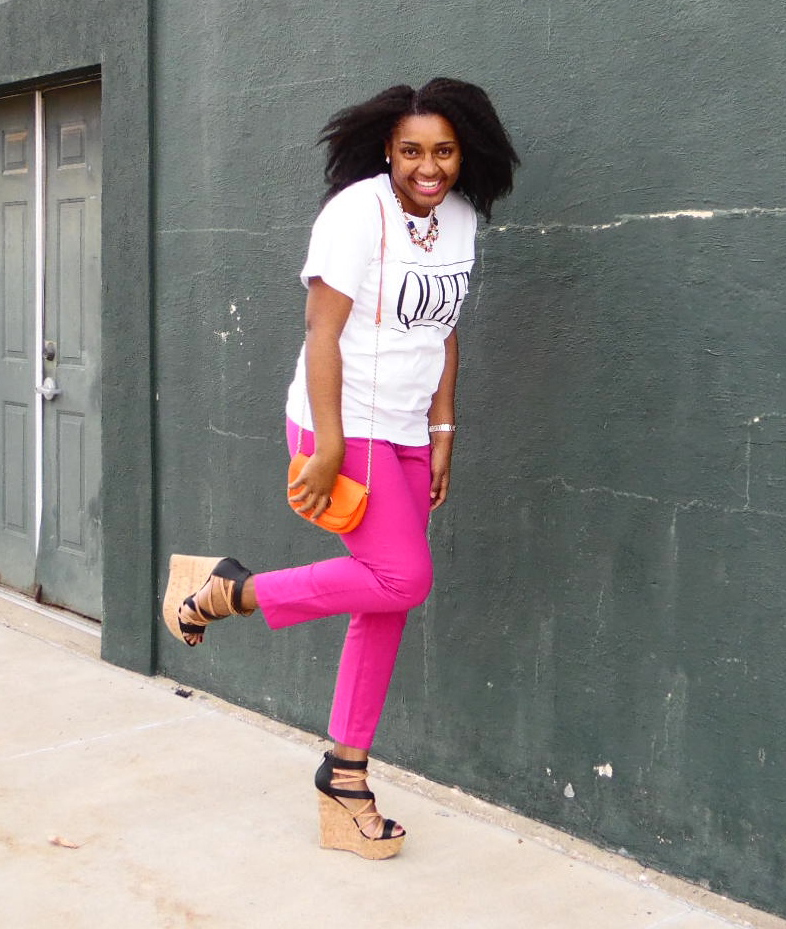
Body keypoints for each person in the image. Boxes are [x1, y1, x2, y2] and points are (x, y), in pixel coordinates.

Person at [162, 78, 519, 860]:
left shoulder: (460, 219)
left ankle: (345, 777)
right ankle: (224, 592)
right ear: (387, 150)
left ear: (465, 153)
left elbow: (443, 330)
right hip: (342, 425)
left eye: (443, 151)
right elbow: (320, 331)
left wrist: (443, 427)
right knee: (402, 578)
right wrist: (326, 443)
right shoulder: (356, 213)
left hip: (408, 429)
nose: (428, 167)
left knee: (384, 602)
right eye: (411, 151)